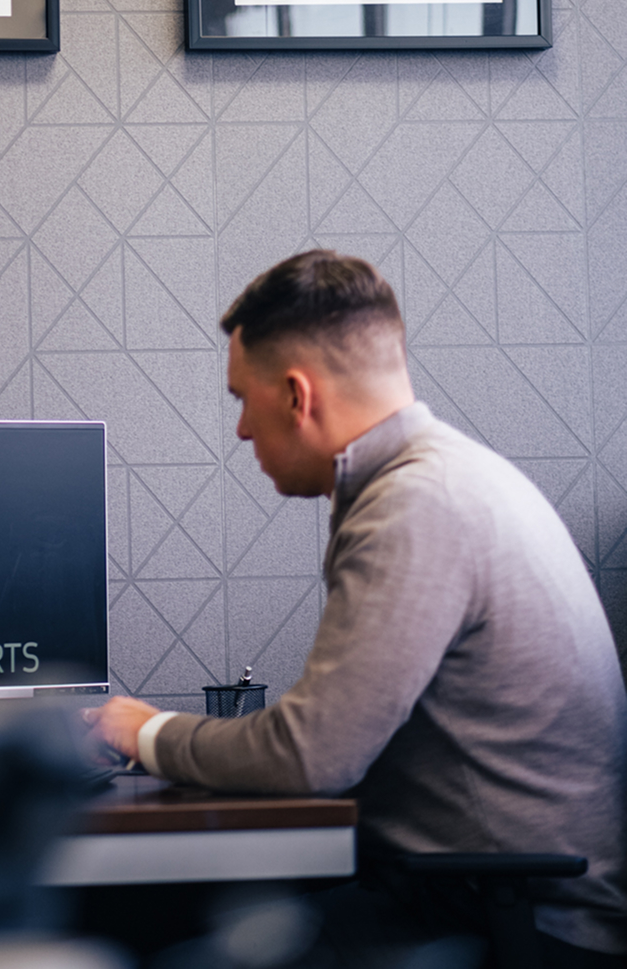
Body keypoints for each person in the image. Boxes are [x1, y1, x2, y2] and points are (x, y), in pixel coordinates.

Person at [85, 249, 627, 964]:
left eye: (241, 398)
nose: (241, 429)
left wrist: (145, 731)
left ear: (297, 396)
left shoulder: (417, 506)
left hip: (519, 930)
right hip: (479, 898)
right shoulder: (445, 478)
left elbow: (310, 756)